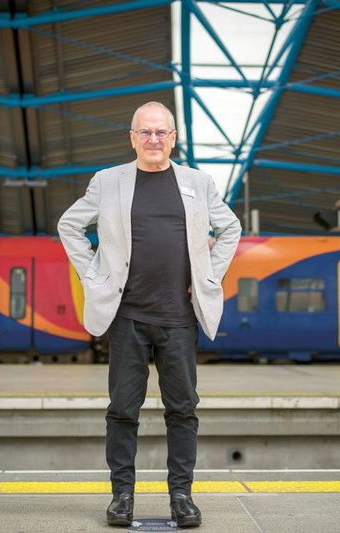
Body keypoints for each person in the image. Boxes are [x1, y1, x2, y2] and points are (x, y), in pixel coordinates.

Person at [57, 101, 241, 528]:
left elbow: (229, 228)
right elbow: (70, 225)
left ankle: (182, 496)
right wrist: (93, 275)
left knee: (183, 410)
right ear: (132, 137)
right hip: (127, 317)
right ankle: (122, 497)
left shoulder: (199, 182)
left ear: (173, 138)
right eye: (146, 132)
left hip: (179, 317)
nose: (154, 140)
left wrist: (210, 274)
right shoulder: (108, 182)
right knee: (123, 409)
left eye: (162, 133)